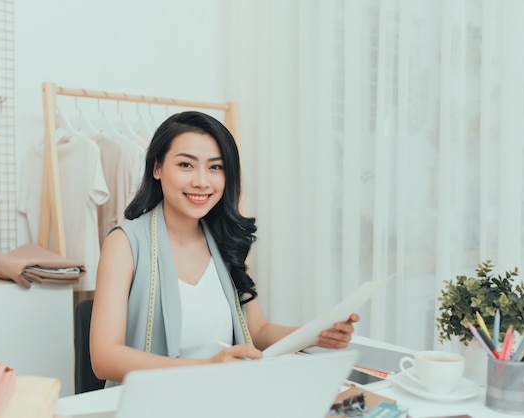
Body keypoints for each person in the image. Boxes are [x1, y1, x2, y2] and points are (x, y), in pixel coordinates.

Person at [91, 111, 359, 386]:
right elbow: (104, 358)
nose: (201, 181)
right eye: (186, 165)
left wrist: (318, 334)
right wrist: (206, 368)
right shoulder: (125, 243)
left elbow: (258, 330)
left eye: (215, 167)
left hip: (222, 396)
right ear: (157, 167)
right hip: (156, 402)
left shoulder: (224, 240)